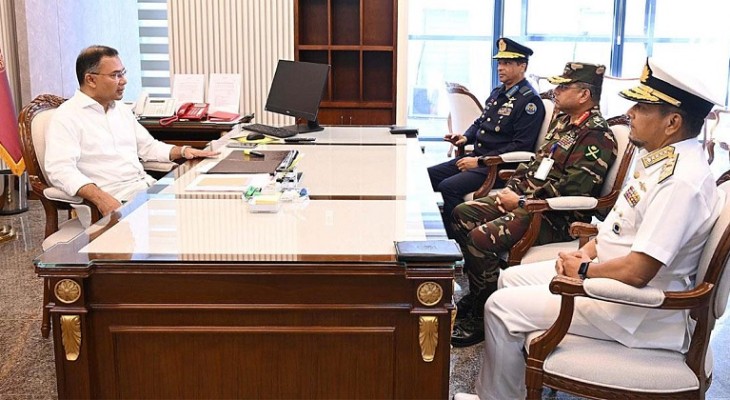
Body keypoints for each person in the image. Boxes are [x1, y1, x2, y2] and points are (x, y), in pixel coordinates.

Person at [455, 58, 724, 400]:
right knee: (509, 279)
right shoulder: (663, 160)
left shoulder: (681, 183)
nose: (629, 113)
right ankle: (518, 387)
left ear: (672, 122)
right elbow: (619, 226)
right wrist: (585, 252)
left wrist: (583, 271)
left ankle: (496, 397)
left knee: (500, 307)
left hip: (631, 308)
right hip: (607, 275)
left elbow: (639, 271)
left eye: (641, 107)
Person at [450, 62, 617, 347]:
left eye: (564, 86)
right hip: (525, 201)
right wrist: (511, 191)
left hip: (555, 217)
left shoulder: (596, 135)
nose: (556, 91)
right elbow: (535, 164)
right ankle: (479, 293)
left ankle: (482, 312)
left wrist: (522, 200)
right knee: (461, 214)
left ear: (584, 95)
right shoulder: (563, 122)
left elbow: (572, 188)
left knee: (480, 238)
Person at [45, 45, 217, 216]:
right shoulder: (67, 116)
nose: (123, 81)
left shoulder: (121, 109)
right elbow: (60, 170)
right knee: (191, 219)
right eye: (115, 75)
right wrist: (101, 198)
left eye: (123, 73)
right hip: (112, 202)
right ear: (90, 80)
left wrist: (183, 151)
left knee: (206, 207)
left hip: (145, 190)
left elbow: (148, 147)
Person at [428, 38, 545, 237]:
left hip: (497, 166)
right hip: (478, 159)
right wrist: (465, 138)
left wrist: (480, 161)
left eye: (507, 63)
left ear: (522, 66)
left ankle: (457, 242)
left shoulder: (529, 102)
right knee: (428, 176)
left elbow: (521, 146)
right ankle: (439, 232)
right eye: (499, 62)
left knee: (449, 187)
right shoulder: (498, 92)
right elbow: (480, 122)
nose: (500, 68)